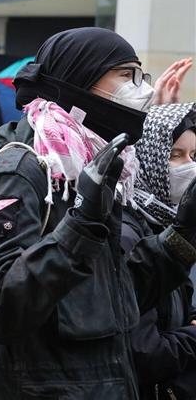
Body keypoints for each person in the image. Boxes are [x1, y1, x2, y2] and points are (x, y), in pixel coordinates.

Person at [0, 27, 196, 399]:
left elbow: (116, 295)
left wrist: (182, 236)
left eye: (141, 76)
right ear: (80, 79)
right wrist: (80, 227)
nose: (142, 89)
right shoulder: (25, 169)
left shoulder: (103, 164)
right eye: (125, 75)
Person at [124, 102, 196, 400]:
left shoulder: (166, 220)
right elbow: (143, 352)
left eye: (195, 155)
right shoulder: (130, 232)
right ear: (148, 158)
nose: (189, 165)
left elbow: (179, 304)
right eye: (175, 155)